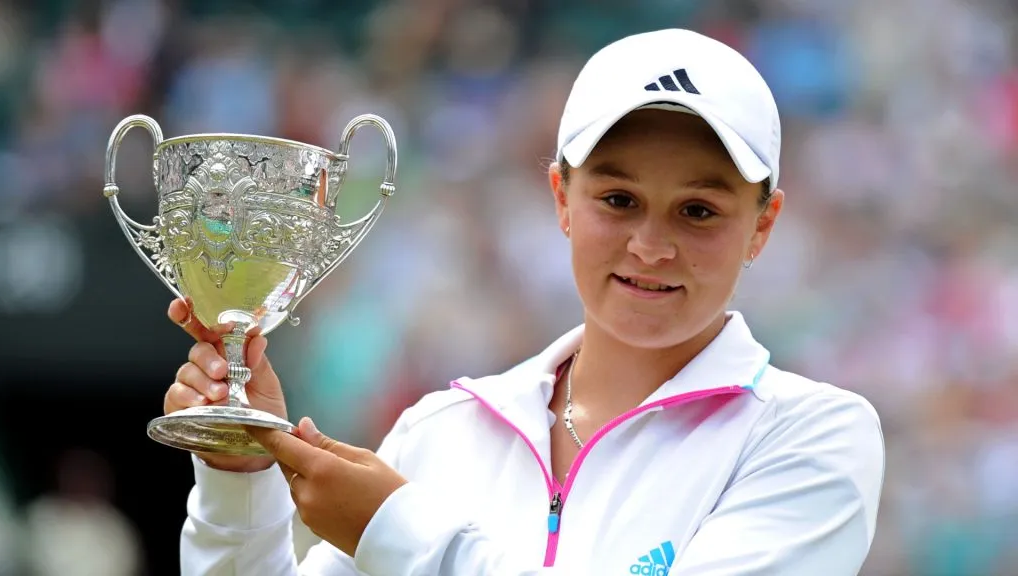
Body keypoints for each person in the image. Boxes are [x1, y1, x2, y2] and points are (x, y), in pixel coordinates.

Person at [164, 28, 885, 575]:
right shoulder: (440, 432)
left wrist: (395, 530)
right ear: (560, 199)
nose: (651, 246)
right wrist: (240, 482)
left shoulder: (812, 435)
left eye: (698, 211)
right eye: (618, 199)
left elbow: (404, 536)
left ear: (764, 224)